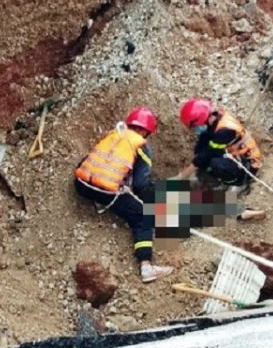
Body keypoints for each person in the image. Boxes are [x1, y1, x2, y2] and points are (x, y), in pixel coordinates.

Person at [74, 107, 173, 283]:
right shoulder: (142, 146)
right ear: (145, 131)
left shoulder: (114, 134)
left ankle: (101, 201)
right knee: (142, 216)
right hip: (105, 191)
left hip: (81, 184)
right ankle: (146, 267)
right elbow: (140, 184)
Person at [173, 97, 263, 192]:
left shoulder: (224, 131)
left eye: (194, 126)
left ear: (200, 121)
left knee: (216, 163)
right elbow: (202, 151)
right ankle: (202, 175)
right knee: (202, 145)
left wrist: (183, 175)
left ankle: (238, 184)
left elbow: (207, 154)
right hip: (234, 156)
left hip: (248, 166)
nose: (195, 130)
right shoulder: (215, 119)